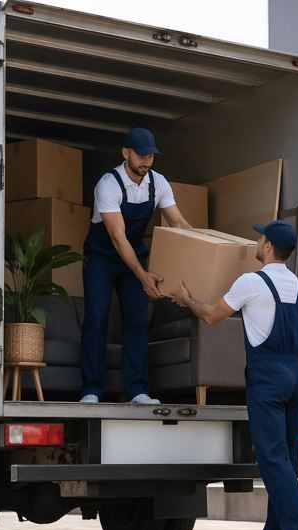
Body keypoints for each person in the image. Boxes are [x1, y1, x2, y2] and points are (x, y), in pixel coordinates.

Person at [170, 220, 298, 530]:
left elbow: (210, 316)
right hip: (295, 375)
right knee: (284, 461)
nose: (256, 240)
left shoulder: (251, 282)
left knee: (271, 459)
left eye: (260, 237)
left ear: (268, 246)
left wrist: (186, 298)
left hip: (268, 375)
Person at [79, 128, 192, 405]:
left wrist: (205, 245)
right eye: (142, 156)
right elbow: (118, 238)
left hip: (135, 254)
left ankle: (138, 390)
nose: (147, 162)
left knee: (137, 320)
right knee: (97, 317)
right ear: (126, 153)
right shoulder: (108, 184)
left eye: (151, 156)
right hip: (102, 257)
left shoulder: (159, 183)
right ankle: (91, 390)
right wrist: (142, 276)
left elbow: (179, 223)